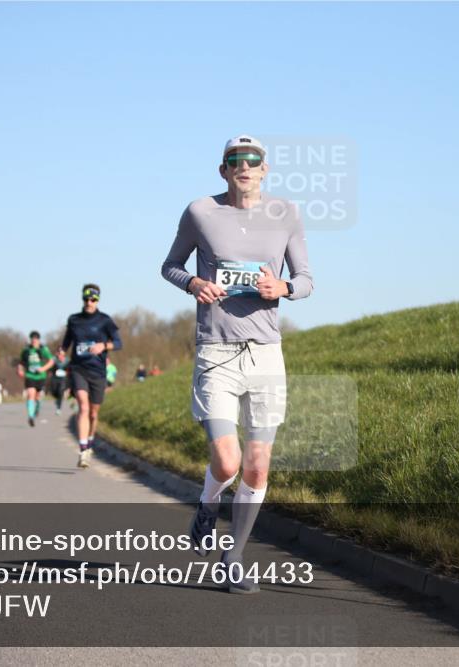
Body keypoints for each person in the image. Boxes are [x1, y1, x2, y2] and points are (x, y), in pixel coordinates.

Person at [160, 134, 313, 593]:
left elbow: (306, 279)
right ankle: (208, 503)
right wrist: (193, 285)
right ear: (223, 169)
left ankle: (235, 556)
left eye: (252, 160)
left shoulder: (286, 213)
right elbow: (169, 265)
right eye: (234, 160)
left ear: (264, 169)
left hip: (266, 353)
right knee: (227, 462)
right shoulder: (201, 212)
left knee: (258, 465)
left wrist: (282, 290)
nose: (243, 166)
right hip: (216, 350)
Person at [61, 283, 123, 468]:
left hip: (98, 372)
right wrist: (61, 350)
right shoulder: (74, 320)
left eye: (93, 299)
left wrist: (103, 346)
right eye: (86, 298)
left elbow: (119, 343)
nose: (89, 302)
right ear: (82, 299)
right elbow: (66, 341)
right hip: (78, 369)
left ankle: (89, 441)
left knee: (94, 413)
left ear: (98, 299)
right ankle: (82, 451)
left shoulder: (105, 320)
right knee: (83, 407)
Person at [17, 331, 54, 427]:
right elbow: (21, 362)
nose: (34, 340)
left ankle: (37, 407)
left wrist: (43, 369)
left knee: (37, 396)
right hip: (30, 375)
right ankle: (31, 416)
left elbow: (51, 361)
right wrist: (20, 370)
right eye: (32, 338)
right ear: (30, 340)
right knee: (30, 394)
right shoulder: (26, 350)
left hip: (40, 376)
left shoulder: (43, 349)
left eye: (36, 339)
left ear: (38, 340)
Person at [49, 348, 71, 415]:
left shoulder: (67, 361)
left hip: (63, 379)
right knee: (54, 392)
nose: (60, 356)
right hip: (55, 378)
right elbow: (50, 369)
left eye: (62, 354)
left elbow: (70, 370)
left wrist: (67, 373)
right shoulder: (54, 360)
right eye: (59, 354)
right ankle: (57, 399)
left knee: (60, 392)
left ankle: (59, 408)